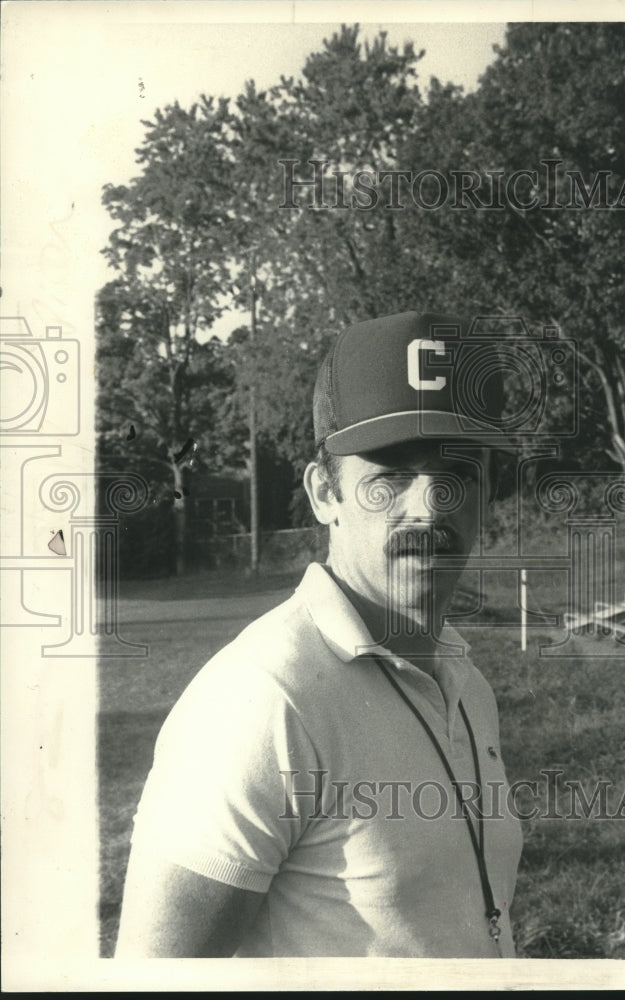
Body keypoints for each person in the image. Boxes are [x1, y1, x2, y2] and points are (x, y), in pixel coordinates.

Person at [116, 311, 523, 958]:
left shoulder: (464, 682)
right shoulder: (261, 697)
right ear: (323, 493)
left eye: (459, 473)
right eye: (390, 474)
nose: (431, 504)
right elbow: (155, 974)